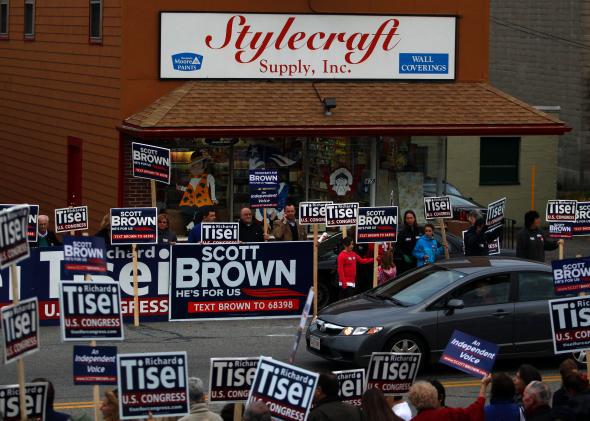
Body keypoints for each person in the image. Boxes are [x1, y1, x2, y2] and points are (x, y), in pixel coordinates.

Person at [408, 375, 491, 420]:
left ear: (414, 401)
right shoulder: (449, 414)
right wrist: (483, 386)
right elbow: (474, 410)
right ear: (434, 396)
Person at [177, 150, 218, 227]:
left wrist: (213, 198)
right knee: (188, 213)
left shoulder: (208, 177)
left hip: (203, 201)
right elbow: (189, 189)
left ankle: (197, 227)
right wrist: (181, 188)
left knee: (202, 214)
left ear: (204, 165)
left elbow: (212, 188)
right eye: (194, 164)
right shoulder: (191, 179)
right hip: (190, 202)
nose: (196, 166)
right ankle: (190, 228)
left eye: (199, 163)